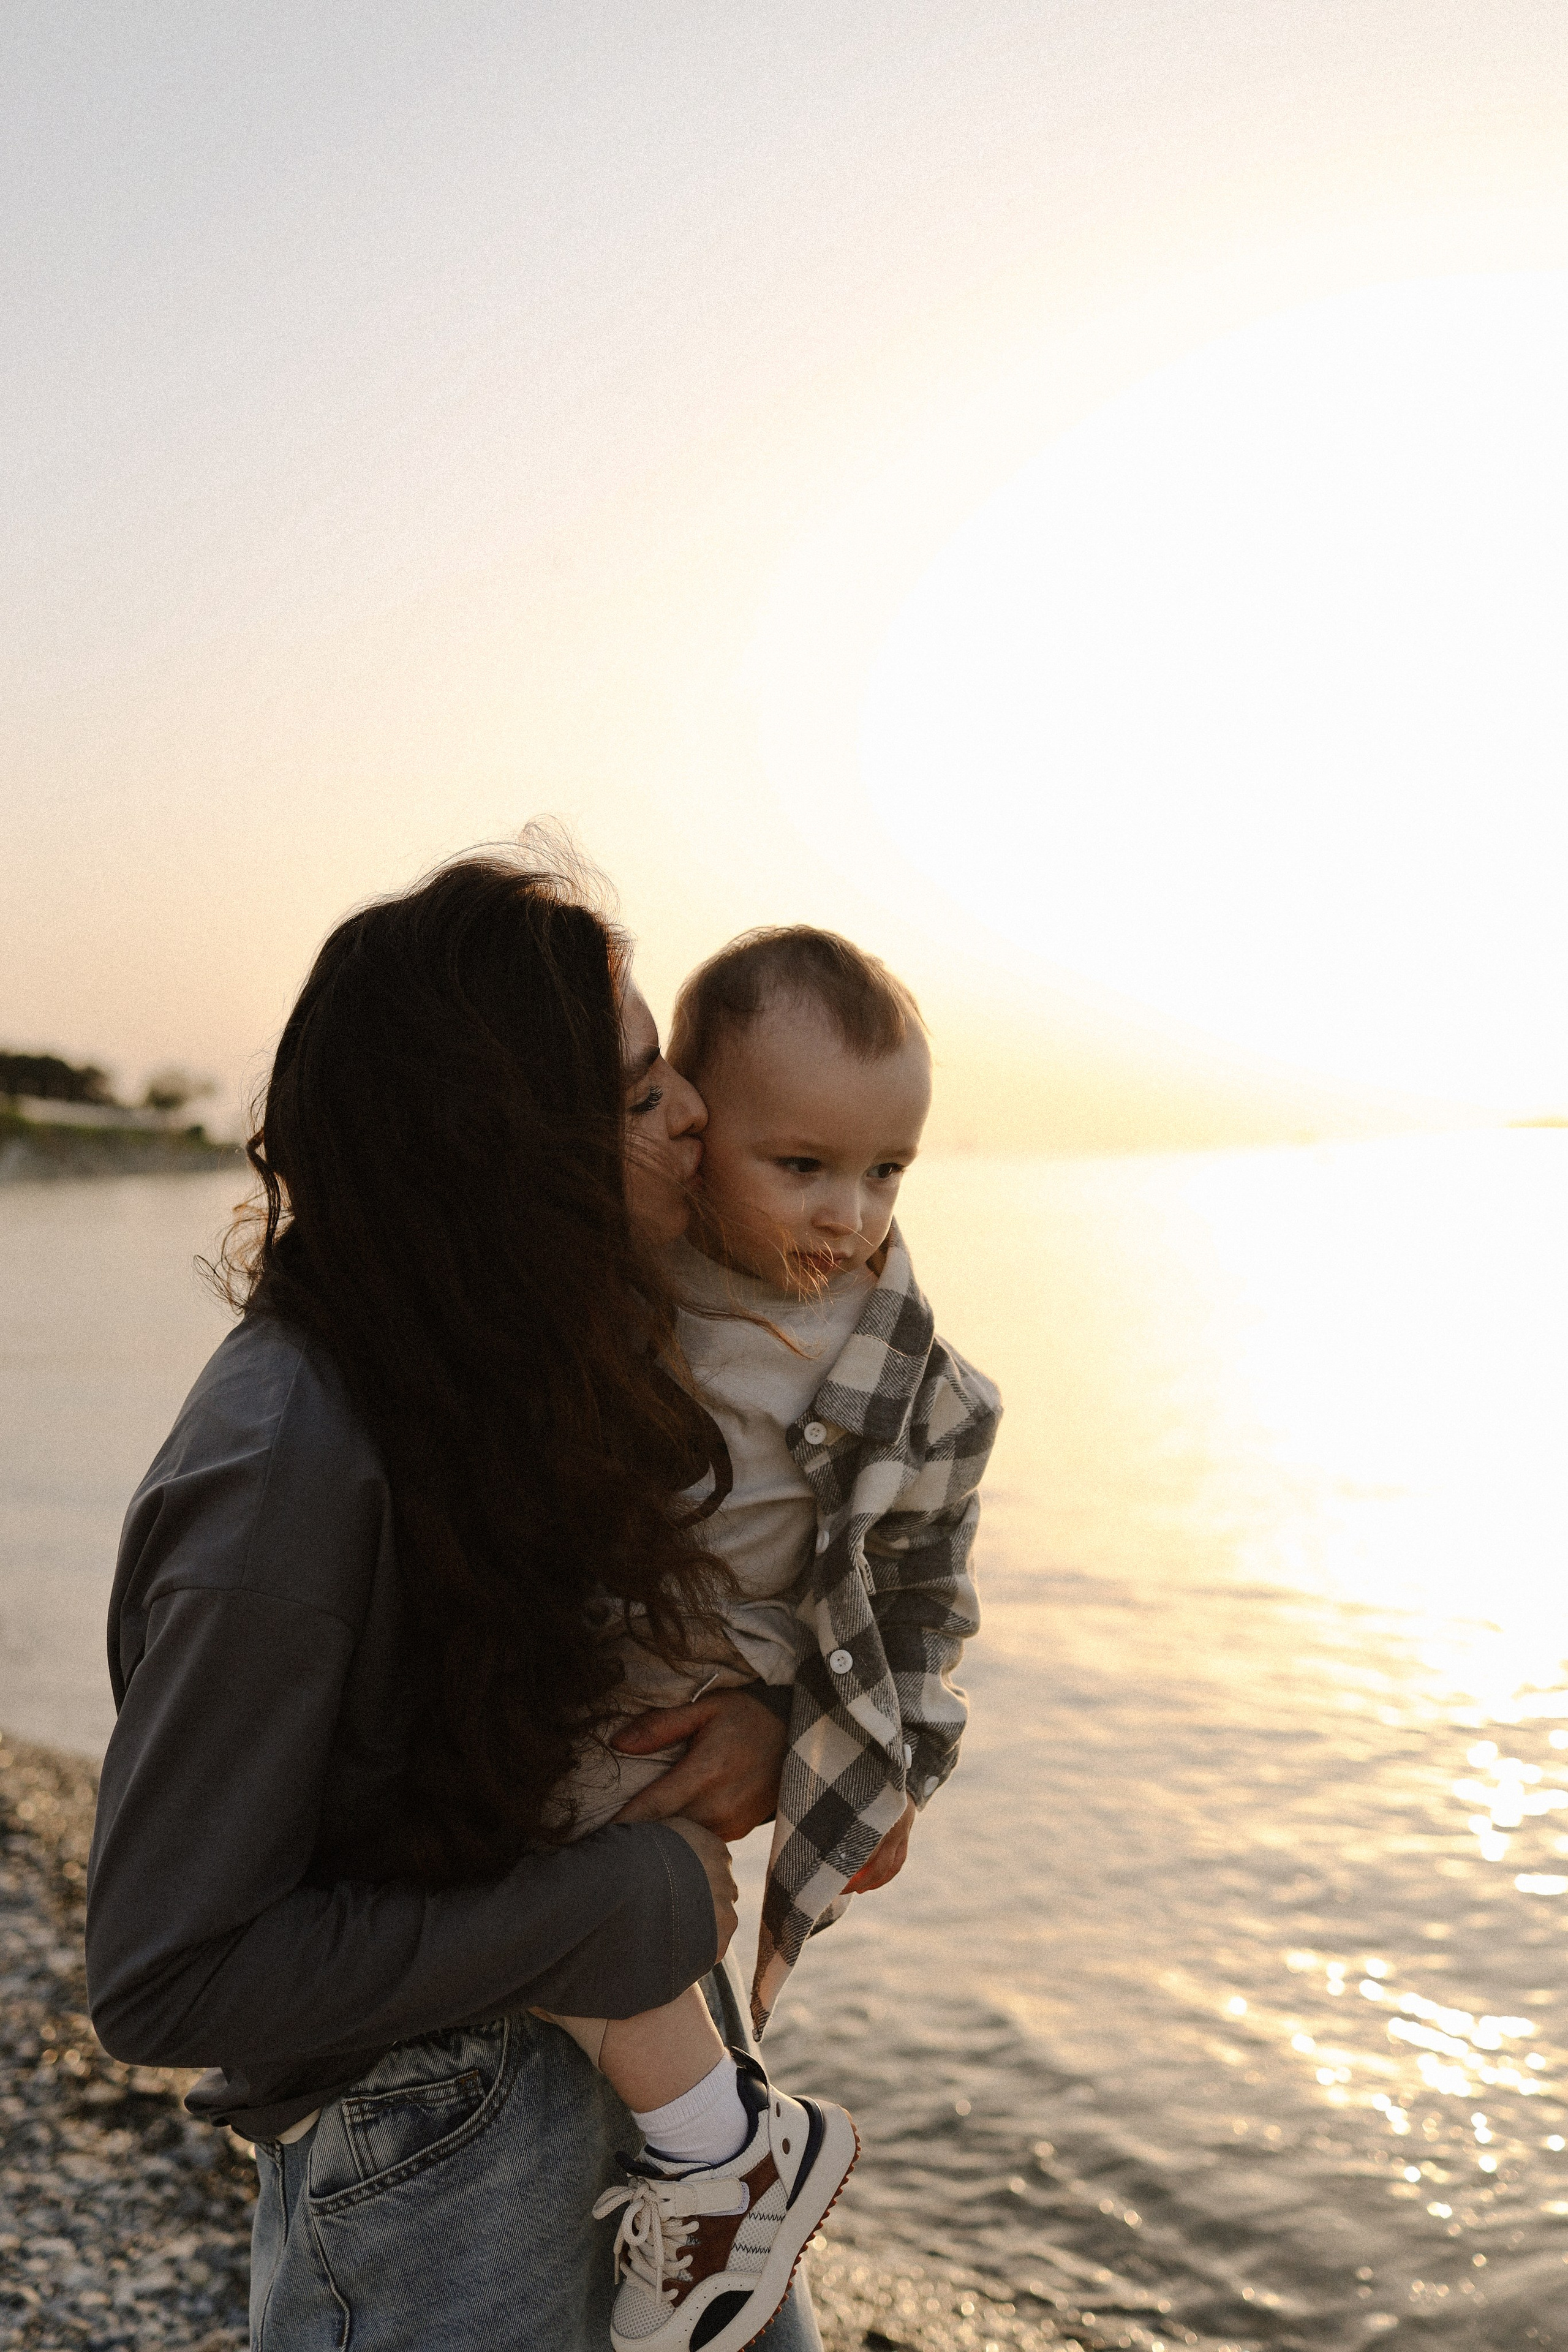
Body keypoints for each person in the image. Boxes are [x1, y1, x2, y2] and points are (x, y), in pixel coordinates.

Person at [84, 847, 829, 2352]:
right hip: (440, 2177)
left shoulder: (492, 1370)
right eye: (634, 1095)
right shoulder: (289, 1467)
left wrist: (765, 1722)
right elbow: (166, 1976)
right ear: (498, 1154)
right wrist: (610, 1904)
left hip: (654, 2104)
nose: (693, 1109)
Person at [538, 926, 1000, 2351]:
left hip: (714, 1676)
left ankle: (713, 2153)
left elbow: (922, 1589)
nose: (845, 1214)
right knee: (542, 1884)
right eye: (797, 1165)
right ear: (690, 1125)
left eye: (885, 1173)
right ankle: (709, 2152)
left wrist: (894, 1765)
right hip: (610, 1646)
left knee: (534, 1879)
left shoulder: (902, 1371)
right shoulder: (630, 1281)